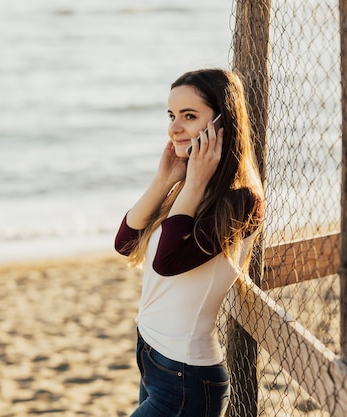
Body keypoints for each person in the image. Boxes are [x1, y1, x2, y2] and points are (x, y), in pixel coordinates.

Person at [114, 68, 265, 417]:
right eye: (171, 115)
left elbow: (167, 262)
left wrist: (193, 186)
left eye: (189, 116)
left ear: (222, 123)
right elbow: (125, 243)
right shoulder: (186, 188)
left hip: (187, 379)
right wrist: (163, 180)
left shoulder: (241, 200)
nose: (174, 128)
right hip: (154, 360)